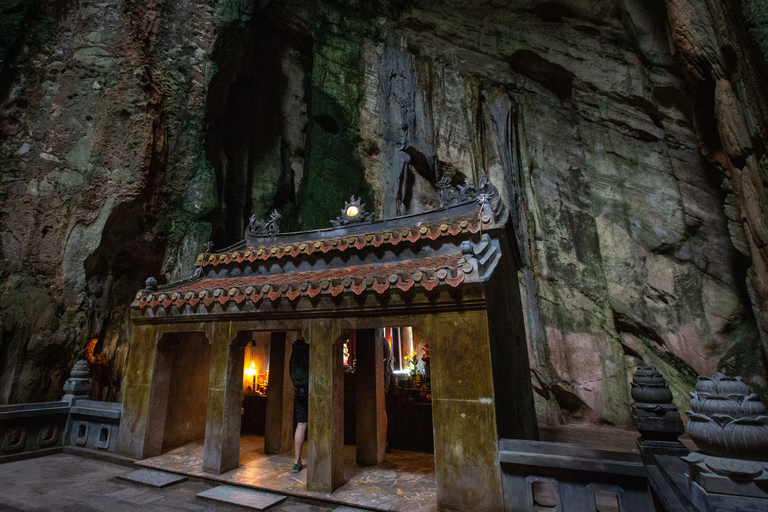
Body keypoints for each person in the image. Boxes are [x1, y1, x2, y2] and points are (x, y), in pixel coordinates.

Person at [289, 337, 309, 473]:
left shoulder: (295, 348)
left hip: (300, 390)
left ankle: (296, 461)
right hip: (314, 388)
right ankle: (320, 459)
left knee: (301, 423)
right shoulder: (310, 346)